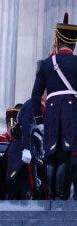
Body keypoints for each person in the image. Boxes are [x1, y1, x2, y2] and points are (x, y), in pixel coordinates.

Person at [31, 12, 77, 199]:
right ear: (73, 44)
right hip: (71, 111)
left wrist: (38, 118)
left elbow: (35, 94)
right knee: (66, 154)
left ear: (58, 40)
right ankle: (60, 194)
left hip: (50, 112)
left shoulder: (46, 64)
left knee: (51, 154)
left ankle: (51, 194)